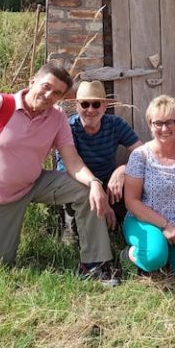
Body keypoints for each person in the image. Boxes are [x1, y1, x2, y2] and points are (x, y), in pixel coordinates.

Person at [0, 63, 119, 284]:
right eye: (46, 86)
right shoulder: (0, 105)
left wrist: (95, 183)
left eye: (57, 93)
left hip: (34, 183)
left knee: (86, 189)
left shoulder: (57, 118)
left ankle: (94, 264)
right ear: (32, 82)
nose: (49, 95)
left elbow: (72, 161)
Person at [122, 95, 175, 283]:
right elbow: (131, 202)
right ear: (150, 124)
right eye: (158, 123)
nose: (164, 128)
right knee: (153, 257)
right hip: (146, 223)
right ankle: (130, 255)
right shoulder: (140, 156)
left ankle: (166, 253)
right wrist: (166, 226)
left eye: (170, 122)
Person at [56, 80, 142, 236]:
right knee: (74, 241)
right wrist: (97, 193)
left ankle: (131, 225)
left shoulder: (115, 124)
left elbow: (143, 153)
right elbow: (67, 170)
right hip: (77, 185)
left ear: (104, 106)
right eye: (84, 104)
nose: (90, 110)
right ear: (76, 106)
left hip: (108, 186)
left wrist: (123, 169)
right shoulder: (68, 129)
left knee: (135, 179)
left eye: (96, 104)